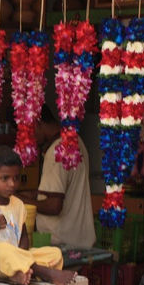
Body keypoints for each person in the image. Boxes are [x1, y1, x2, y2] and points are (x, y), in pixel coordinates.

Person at [0, 145, 77, 285]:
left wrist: (21, 255)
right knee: (4, 251)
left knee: (54, 253)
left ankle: (19, 272)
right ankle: (44, 273)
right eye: (5, 178)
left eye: (16, 178)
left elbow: (24, 238)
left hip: (15, 257)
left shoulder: (19, 205)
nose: (12, 184)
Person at [18, 106, 96, 249]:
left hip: (61, 243)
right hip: (79, 239)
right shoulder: (76, 140)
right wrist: (36, 194)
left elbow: (54, 206)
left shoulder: (56, 151)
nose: (29, 138)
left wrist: (21, 200)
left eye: (28, 131)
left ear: (37, 123)